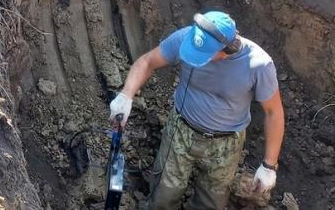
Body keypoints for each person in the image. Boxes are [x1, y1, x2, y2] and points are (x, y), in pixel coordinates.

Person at [109, 11, 285, 209]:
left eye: (204, 55)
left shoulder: (258, 65)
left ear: (227, 48)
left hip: (225, 145)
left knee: (211, 203)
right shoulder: (187, 37)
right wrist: (126, 95)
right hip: (181, 131)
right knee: (163, 197)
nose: (195, 57)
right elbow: (148, 61)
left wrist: (269, 165)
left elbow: (273, 113)